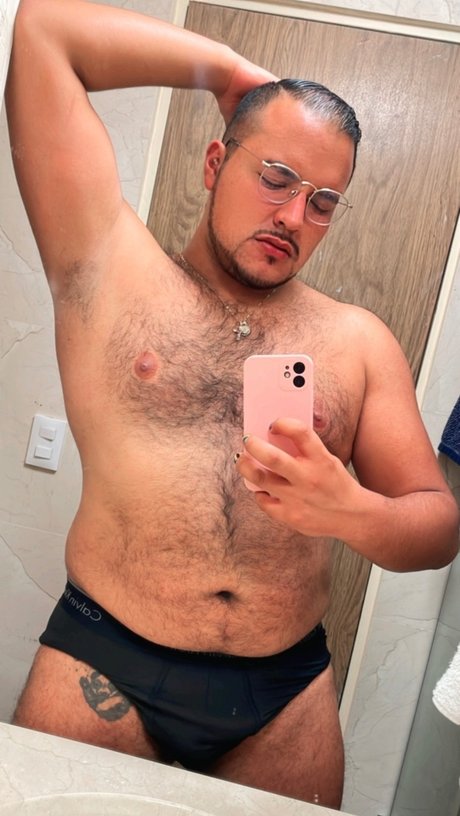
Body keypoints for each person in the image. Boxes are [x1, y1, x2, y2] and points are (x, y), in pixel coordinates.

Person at [6, 0, 459, 809]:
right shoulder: (106, 265)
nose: (293, 216)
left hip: (282, 697)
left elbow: (437, 528)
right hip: (102, 663)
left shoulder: (358, 341)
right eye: (275, 177)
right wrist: (226, 72)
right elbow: (45, 34)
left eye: (323, 201)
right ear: (216, 161)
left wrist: (350, 510)